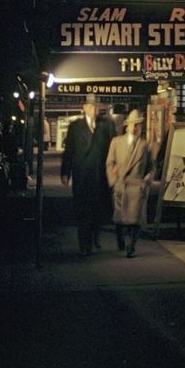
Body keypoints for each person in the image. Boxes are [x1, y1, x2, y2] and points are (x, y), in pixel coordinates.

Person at [60, 95, 116, 256]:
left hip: (100, 176)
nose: (94, 110)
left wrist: (114, 168)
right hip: (82, 175)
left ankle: (94, 235)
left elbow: (112, 149)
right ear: (84, 107)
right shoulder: (75, 126)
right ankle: (84, 245)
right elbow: (69, 150)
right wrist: (65, 172)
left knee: (98, 211)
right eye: (91, 107)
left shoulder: (106, 125)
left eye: (96, 107)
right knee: (83, 212)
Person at [106, 109, 154, 258]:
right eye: (132, 124)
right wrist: (113, 182)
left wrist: (147, 180)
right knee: (120, 219)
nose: (135, 127)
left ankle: (131, 246)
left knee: (134, 220)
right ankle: (120, 238)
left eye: (138, 124)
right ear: (126, 126)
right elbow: (109, 163)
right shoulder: (116, 142)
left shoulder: (144, 145)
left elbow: (151, 167)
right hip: (121, 185)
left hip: (136, 186)